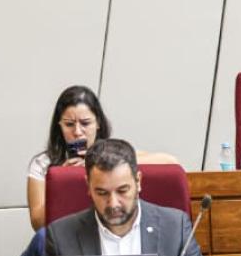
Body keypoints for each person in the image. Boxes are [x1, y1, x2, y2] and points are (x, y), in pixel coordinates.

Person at [25, 85, 180, 230]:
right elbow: (38, 223)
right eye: (69, 124)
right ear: (59, 125)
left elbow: (170, 162)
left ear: (98, 123)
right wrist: (61, 184)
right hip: (66, 234)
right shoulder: (43, 163)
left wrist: (102, 159)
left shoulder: (114, 152)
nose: (78, 132)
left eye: (85, 123)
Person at [44, 138, 204, 256]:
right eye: (102, 193)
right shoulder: (61, 237)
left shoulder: (176, 228)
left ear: (138, 182)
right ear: (88, 186)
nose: (113, 204)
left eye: (122, 191)